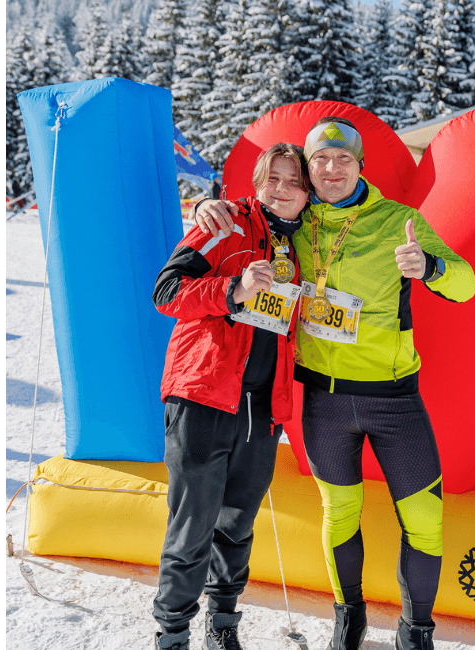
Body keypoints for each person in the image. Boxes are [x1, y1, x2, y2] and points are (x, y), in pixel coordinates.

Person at [194, 117, 475, 650]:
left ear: (360, 166)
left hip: (394, 397)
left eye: (343, 159)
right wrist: (211, 208)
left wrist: (430, 265)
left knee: (425, 517)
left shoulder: (400, 221)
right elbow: (253, 213)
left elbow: (466, 284)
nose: (331, 169)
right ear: (309, 169)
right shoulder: (298, 221)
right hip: (323, 399)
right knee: (339, 512)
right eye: (320, 160)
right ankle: (349, 620)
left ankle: (416, 634)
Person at [151, 143, 310, 650]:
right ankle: (172, 634)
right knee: (192, 526)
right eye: (273, 179)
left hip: (262, 410)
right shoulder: (225, 223)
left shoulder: (302, 246)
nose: (281, 190)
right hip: (203, 399)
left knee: (238, 526)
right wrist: (230, 290)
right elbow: (166, 291)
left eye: (293, 182)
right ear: (258, 183)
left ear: (307, 195)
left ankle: (222, 625)